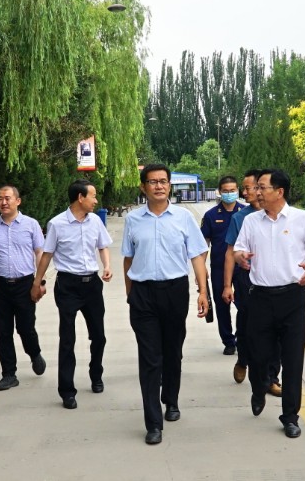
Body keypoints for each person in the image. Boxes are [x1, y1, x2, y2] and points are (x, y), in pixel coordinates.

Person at [121, 164, 209, 445]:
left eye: (163, 181)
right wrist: (130, 294)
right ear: (143, 187)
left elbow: (197, 255)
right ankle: (153, 423)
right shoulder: (133, 219)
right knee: (149, 358)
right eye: (152, 182)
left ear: (169, 185)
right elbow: (128, 259)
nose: (158, 186)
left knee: (172, 351)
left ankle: (171, 399)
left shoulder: (183, 218)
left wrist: (203, 292)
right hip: (143, 294)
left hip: (174, 291)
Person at [233, 169, 305, 439]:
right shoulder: (251, 221)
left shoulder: (303, 219)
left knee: (293, 359)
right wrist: (240, 256)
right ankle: (258, 388)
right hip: (260, 297)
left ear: (279, 191)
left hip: (292, 297)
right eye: (257, 188)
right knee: (258, 355)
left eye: (262, 187)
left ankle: (290, 416)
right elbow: (238, 249)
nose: (256, 192)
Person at [31, 179, 112, 409]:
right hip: (67, 286)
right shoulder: (57, 224)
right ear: (80, 197)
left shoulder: (95, 221)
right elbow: (47, 254)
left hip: (92, 285)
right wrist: (37, 282)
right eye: (92, 196)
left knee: (99, 336)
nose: (95, 201)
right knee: (67, 339)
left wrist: (107, 265)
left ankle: (96, 373)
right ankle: (67, 391)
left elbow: (103, 246)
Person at [0, 185, 47, 391]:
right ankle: (9, 374)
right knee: (3, 332)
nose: (4, 202)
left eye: (7, 198)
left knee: (26, 328)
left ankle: (34, 353)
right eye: (0, 198)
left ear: (18, 201)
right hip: (0, 285)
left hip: (25, 285)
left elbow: (40, 253)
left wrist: (40, 282)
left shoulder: (31, 225)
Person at [221, 170, 281, 397]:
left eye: (248, 188)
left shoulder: (282, 215)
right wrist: (227, 285)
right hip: (247, 281)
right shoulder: (241, 218)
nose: (244, 193)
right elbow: (230, 253)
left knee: (275, 330)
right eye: (244, 188)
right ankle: (243, 359)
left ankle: (272, 378)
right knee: (248, 327)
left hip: (275, 281)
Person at [200, 176, 244, 355]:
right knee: (222, 304)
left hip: (242, 267)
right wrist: (201, 268)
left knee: (244, 305)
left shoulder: (245, 212)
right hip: (219, 267)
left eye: (232, 190)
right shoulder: (211, 215)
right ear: (219, 192)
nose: (229, 193)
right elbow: (204, 244)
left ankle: (242, 338)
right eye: (225, 191)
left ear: (238, 190)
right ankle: (228, 341)